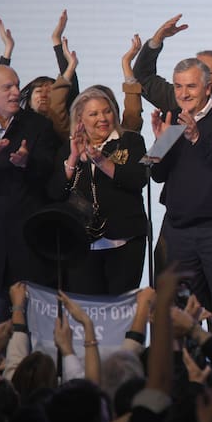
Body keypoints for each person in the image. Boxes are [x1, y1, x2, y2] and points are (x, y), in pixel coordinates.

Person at [150, 56, 212, 341]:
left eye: (190, 86)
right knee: (177, 312)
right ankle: (185, 379)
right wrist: (159, 143)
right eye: (178, 87)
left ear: (207, 87)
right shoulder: (172, 118)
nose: (183, 94)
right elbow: (156, 174)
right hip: (179, 232)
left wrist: (196, 137)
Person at [0, 64, 58, 317]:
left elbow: (49, 170)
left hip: (28, 247)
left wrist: (26, 162)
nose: (15, 92)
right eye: (7, 87)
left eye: (17, 85)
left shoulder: (38, 125)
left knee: (33, 332)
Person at [47, 86, 148, 295]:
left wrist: (102, 161)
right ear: (80, 119)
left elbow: (137, 179)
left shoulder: (130, 141)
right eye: (94, 114)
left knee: (120, 311)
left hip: (124, 242)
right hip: (81, 246)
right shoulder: (67, 149)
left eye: (107, 111)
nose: (102, 118)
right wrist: (74, 158)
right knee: (87, 312)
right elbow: (56, 193)